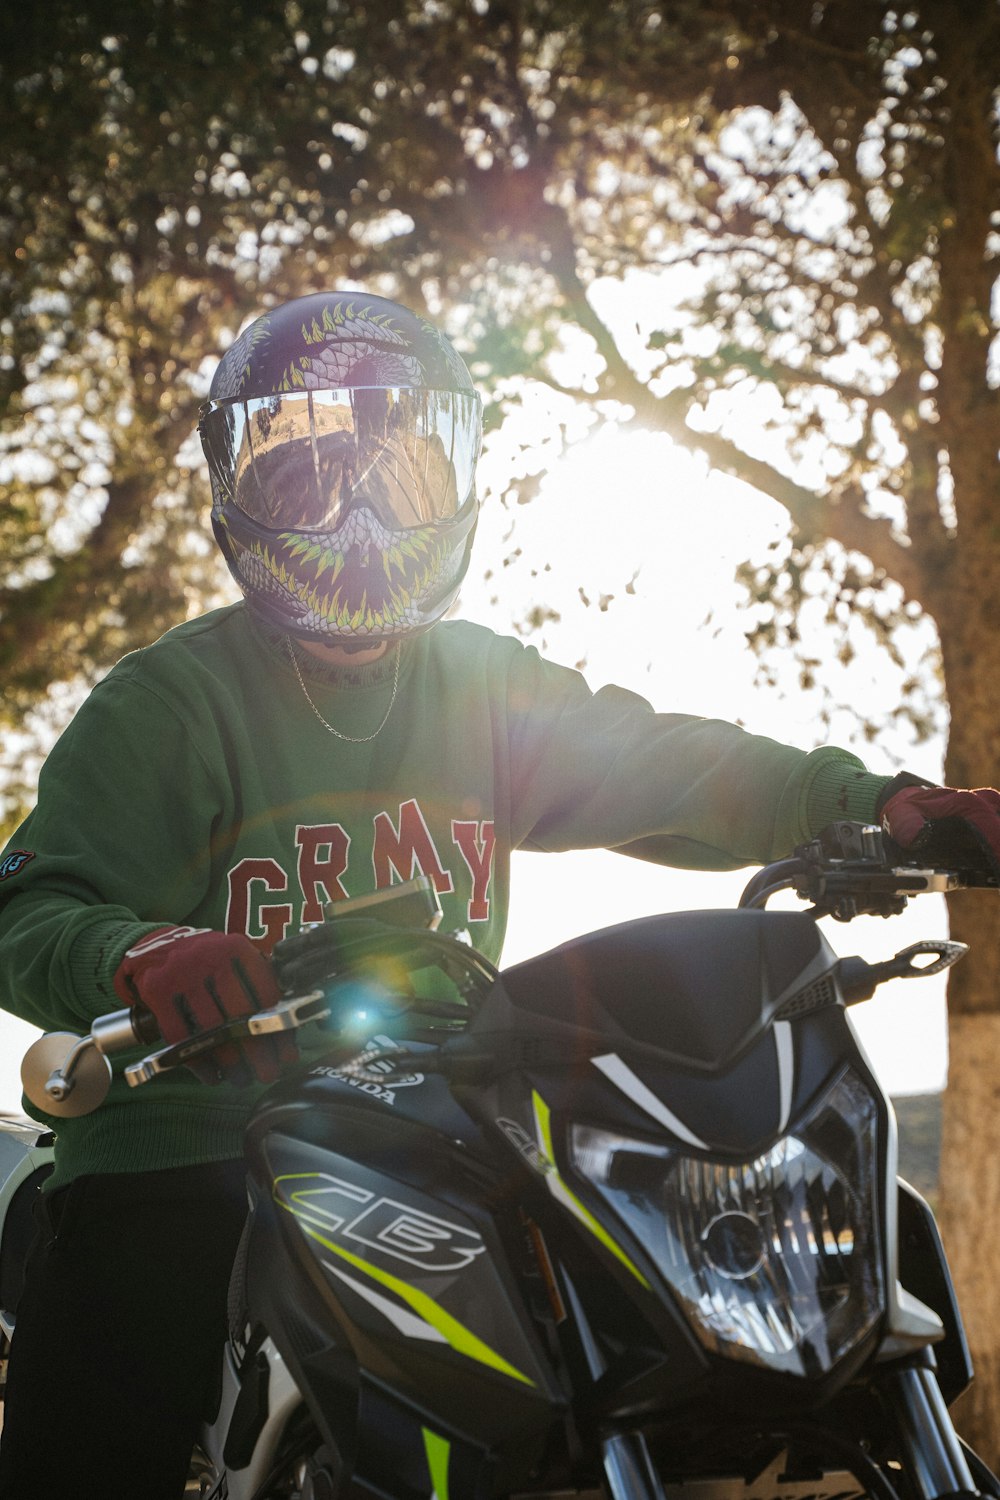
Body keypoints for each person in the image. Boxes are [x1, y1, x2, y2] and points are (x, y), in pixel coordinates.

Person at [1, 289, 999, 1499]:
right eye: (308, 476)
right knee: (113, 1377)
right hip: (194, 1141)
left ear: (457, 477)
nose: (357, 517)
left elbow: (672, 764)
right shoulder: (171, 702)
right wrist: (142, 952)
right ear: (235, 486)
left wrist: (868, 801)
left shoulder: (481, 687)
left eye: (397, 476)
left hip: (428, 1133)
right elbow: (33, 905)